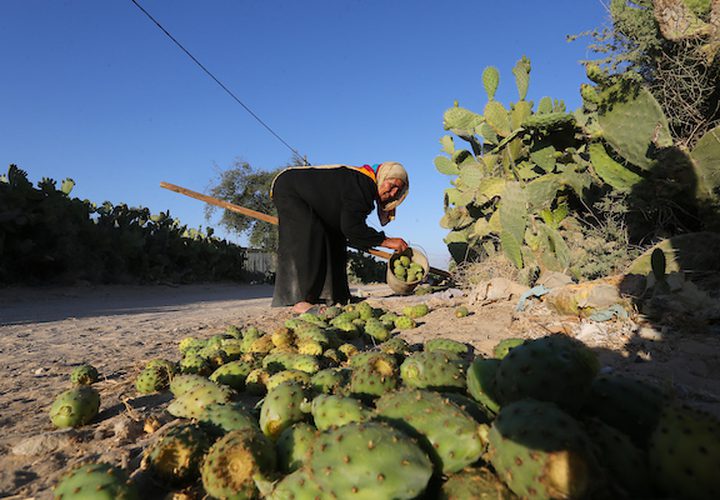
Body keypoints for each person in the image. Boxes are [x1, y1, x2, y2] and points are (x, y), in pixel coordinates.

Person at [270, 162, 409, 313]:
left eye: (399, 190)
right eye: (392, 184)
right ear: (383, 177)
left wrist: (373, 239)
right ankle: (301, 301)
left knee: (335, 239)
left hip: (312, 200)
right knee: (310, 235)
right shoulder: (364, 184)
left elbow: (347, 229)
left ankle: (338, 296)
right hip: (291, 190)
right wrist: (385, 241)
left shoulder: (363, 185)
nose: (394, 192)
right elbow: (353, 229)